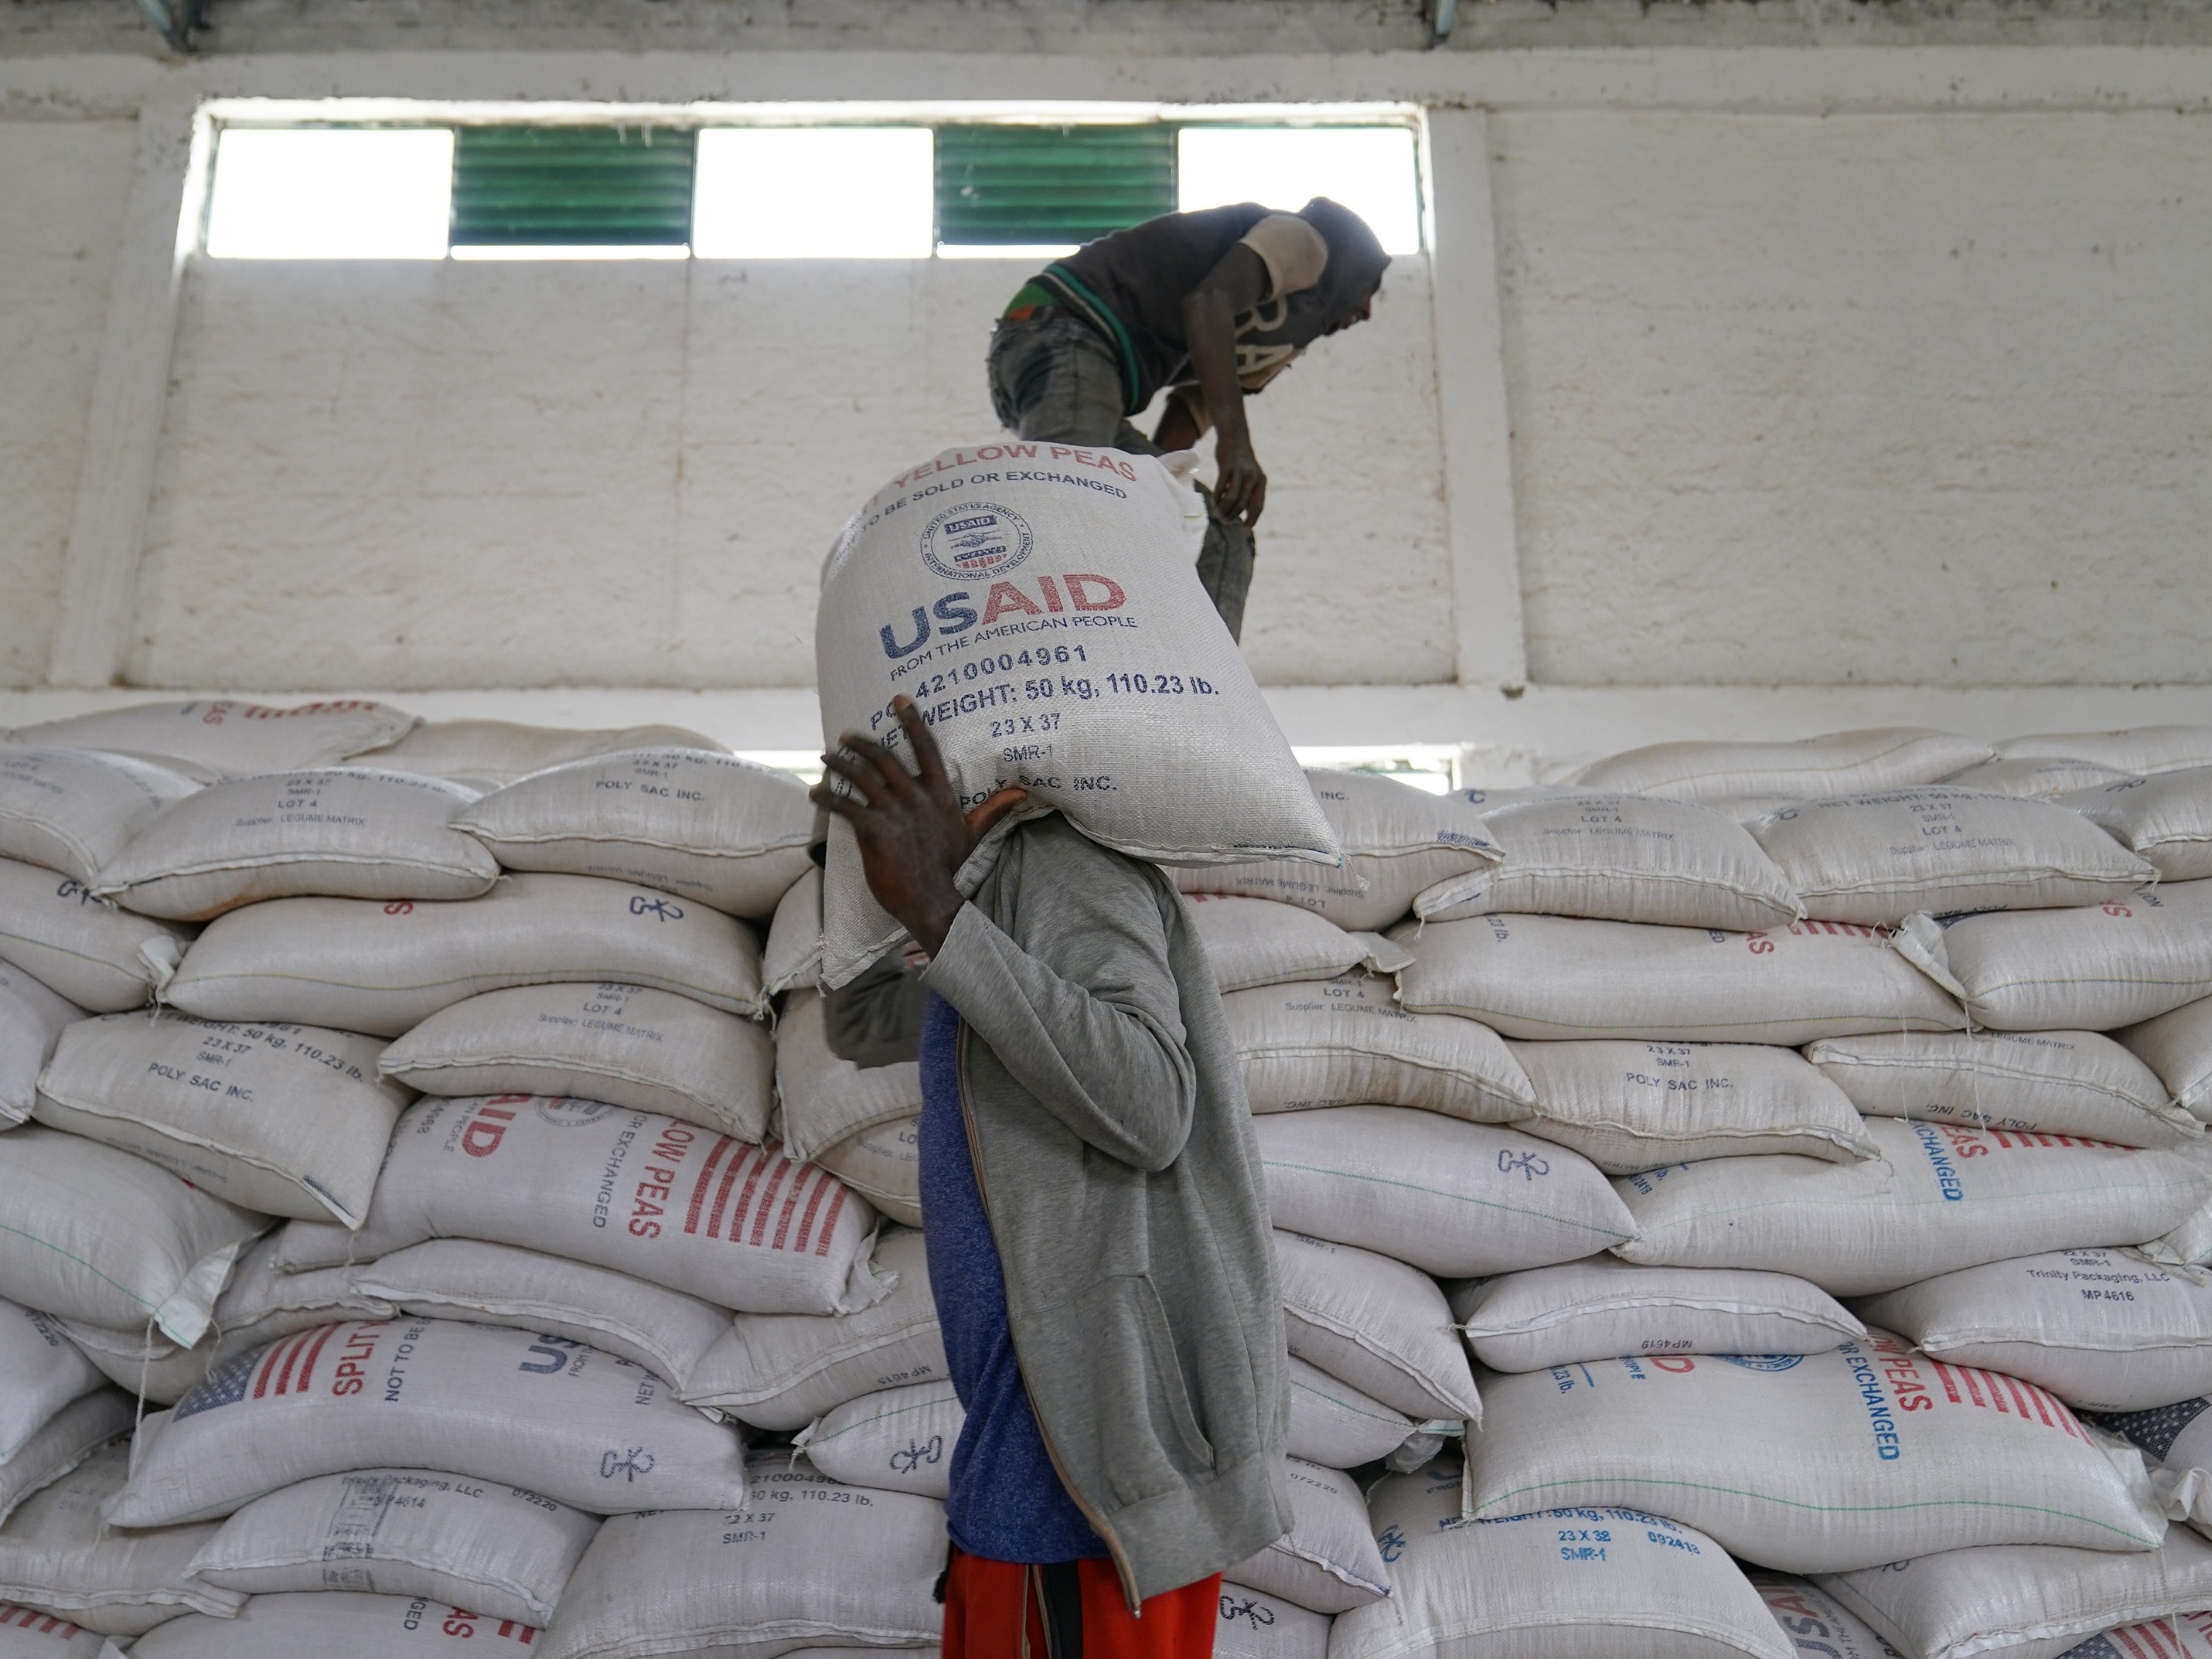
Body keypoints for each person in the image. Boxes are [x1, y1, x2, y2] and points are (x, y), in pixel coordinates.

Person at [812, 697, 1290, 1659]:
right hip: (1037, 1476)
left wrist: (937, 912)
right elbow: (857, 1021)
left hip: (1079, 1499)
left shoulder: (1066, 864)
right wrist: (875, 872)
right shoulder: (985, 902)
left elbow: (1151, 1103)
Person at [987, 197, 1390, 642]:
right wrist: (1236, 446)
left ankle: (1202, 695)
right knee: (1071, 514)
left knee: (1220, 539)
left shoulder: (1283, 341)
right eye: (1371, 284)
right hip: (1062, 331)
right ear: (1352, 263)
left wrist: (1162, 493)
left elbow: (1193, 406)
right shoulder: (1305, 242)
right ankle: (1027, 669)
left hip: (1084, 376)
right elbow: (1208, 303)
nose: (1369, 309)